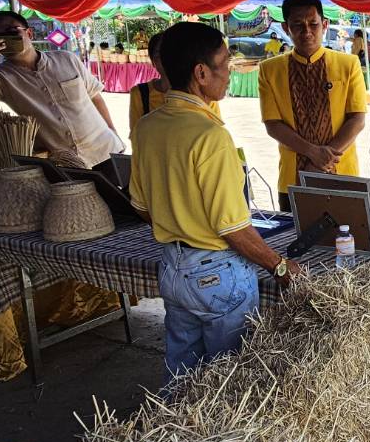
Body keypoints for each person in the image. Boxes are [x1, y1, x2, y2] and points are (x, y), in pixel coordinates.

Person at [129, 22, 303, 381]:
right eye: (225, 63)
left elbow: (140, 205)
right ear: (201, 73)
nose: (229, 71)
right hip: (217, 274)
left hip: (173, 268)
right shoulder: (210, 135)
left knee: (181, 374)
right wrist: (280, 267)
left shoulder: (147, 127)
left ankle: (173, 433)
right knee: (229, 380)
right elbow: (233, 229)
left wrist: (179, 222)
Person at [0, 10, 124, 169]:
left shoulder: (67, 59)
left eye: (11, 31)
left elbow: (94, 96)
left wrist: (113, 131)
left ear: (29, 34)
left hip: (105, 150)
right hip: (64, 166)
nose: (6, 38)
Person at [259, 0, 369, 209]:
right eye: (297, 25)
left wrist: (323, 160)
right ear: (285, 27)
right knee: (295, 240)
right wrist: (312, 152)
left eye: (313, 24)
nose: (306, 31)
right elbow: (272, 124)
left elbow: (357, 119)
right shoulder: (269, 70)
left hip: (342, 175)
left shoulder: (348, 64)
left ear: (325, 24)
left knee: (346, 241)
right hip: (293, 178)